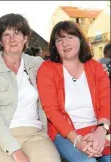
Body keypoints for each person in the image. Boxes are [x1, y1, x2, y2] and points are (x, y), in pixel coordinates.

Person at [0, 13, 60, 162]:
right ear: (0, 41)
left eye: (17, 33)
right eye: (6, 34)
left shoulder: (38, 65)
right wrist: (13, 148)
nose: (12, 39)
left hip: (34, 134)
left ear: (26, 38)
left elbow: (63, 74)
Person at [37, 20, 110, 162]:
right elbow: (51, 110)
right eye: (59, 40)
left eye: (70, 37)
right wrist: (77, 141)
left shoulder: (96, 68)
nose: (65, 43)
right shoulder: (47, 70)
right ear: (54, 46)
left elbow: (106, 101)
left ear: (80, 40)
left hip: (99, 129)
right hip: (65, 134)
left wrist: (101, 130)